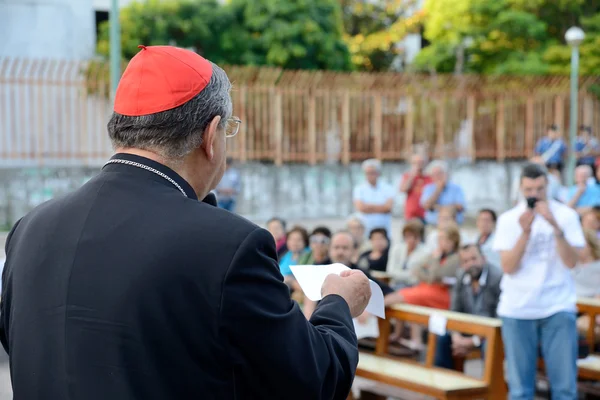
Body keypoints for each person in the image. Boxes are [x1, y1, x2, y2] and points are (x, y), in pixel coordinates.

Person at [0, 45, 372, 400]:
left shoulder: (30, 228)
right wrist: (337, 302)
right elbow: (315, 380)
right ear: (211, 135)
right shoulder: (229, 246)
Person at [493, 163, 585, 400]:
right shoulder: (508, 219)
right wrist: (525, 232)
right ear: (521, 188)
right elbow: (508, 267)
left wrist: (555, 226)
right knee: (520, 390)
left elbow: (572, 262)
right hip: (517, 308)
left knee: (565, 390)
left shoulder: (566, 215)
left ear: (548, 186)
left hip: (557, 306)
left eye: (539, 189)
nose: (534, 195)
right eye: (529, 189)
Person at [434, 244, 502, 370]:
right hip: (467, 328)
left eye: (474, 259)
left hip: (490, 333)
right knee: (442, 336)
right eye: (466, 261)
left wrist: (473, 341)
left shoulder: (497, 278)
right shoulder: (461, 276)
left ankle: (487, 388)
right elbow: (454, 310)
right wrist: (456, 337)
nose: (471, 264)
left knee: (490, 346)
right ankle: (445, 383)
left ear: (484, 258)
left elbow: (498, 320)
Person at [353, 158, 395, 235]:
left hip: (383, 230)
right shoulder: (359, 188)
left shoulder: (388, 188)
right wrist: (381, 207)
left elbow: (388, 207)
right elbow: (361, 208)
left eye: (372, 173)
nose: (370, 175)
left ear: (378, 173)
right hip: (365, 230)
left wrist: (368, 207)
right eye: (367, 173)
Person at [420, 160, 466, 225]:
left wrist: (436, 207)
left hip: (454, 225)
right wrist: (438, 189)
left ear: (446, 174)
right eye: (435, 174)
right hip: (433, 225)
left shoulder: (456, 188)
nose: (438, 176)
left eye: (440, 173)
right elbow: (426, 206)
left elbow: (460, 206)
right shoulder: (428, 188)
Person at [386, 219, 429, 288]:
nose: (411, 240)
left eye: (415, 237)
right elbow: (390, 272)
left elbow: (417, 278)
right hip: (394, 285)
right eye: (408, 236)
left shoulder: (426, 252)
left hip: (414, 287)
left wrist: (398, 274)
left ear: (420, 237)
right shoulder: (397, 248)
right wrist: (409, 274)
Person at [400, 153, 432, 222]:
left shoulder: (430, 178)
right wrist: (412, 176)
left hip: (426, 215)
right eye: (416, 163)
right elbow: (403, 189)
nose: (419, 165)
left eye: (421, 162)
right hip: (410, 216)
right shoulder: (407, 176)